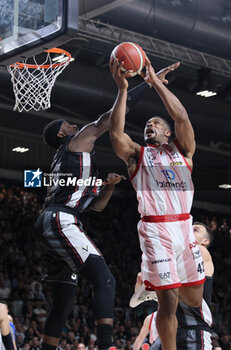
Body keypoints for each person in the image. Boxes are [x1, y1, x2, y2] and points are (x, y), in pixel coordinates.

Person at [34, 62, 179, 350]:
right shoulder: (75, 143)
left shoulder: (74, 164)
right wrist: (146, 84)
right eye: (65, 124)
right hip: (60, 221)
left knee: (64, 299)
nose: (71, 123)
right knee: (106, 279)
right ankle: (105, 346)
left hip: (53, 222)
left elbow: (97, 209)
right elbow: (108, 120)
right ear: (62, 135)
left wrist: (108, 187)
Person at [109, 57, 206, 350]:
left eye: (156, 123)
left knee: (194, 298)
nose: (150, 125)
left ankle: (150, 283)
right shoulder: (137, 155)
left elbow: (182, 118)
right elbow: (115, 133)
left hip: (184, 227)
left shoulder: (184, 151)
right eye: (147, 124)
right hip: (156, 230)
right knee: (169, 299)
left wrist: (154, 83)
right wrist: (123, 89)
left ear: (167, 133)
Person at [132, 222, 214, 350]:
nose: (189, 230)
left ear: (204, 241)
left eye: (195, 230)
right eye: (189, 228)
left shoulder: (202, 253)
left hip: (194, 330)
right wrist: (141, 284)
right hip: (167, 332)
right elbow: (138, 297)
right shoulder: (170, 256)